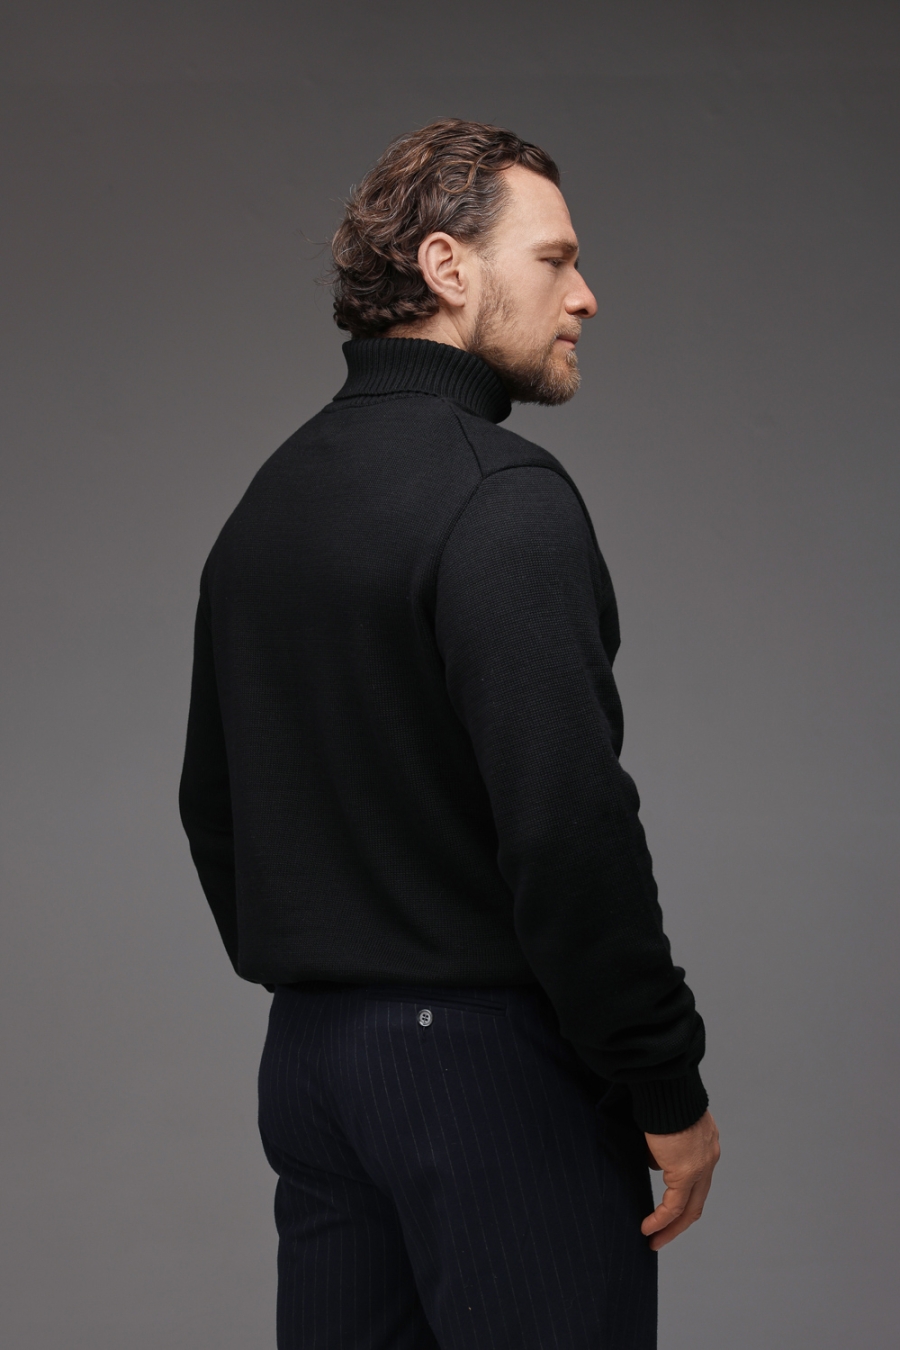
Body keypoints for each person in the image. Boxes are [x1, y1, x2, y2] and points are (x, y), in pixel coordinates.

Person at [179, 117, 720, 1350]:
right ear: (446, 267)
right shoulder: (501, 498)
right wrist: (665, 1081)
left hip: (314, 1068)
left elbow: (213, 806)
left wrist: (334, 973)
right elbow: (570, 831)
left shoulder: (270, 501)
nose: (585, 296)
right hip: (487, 1078)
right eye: (554, 260)